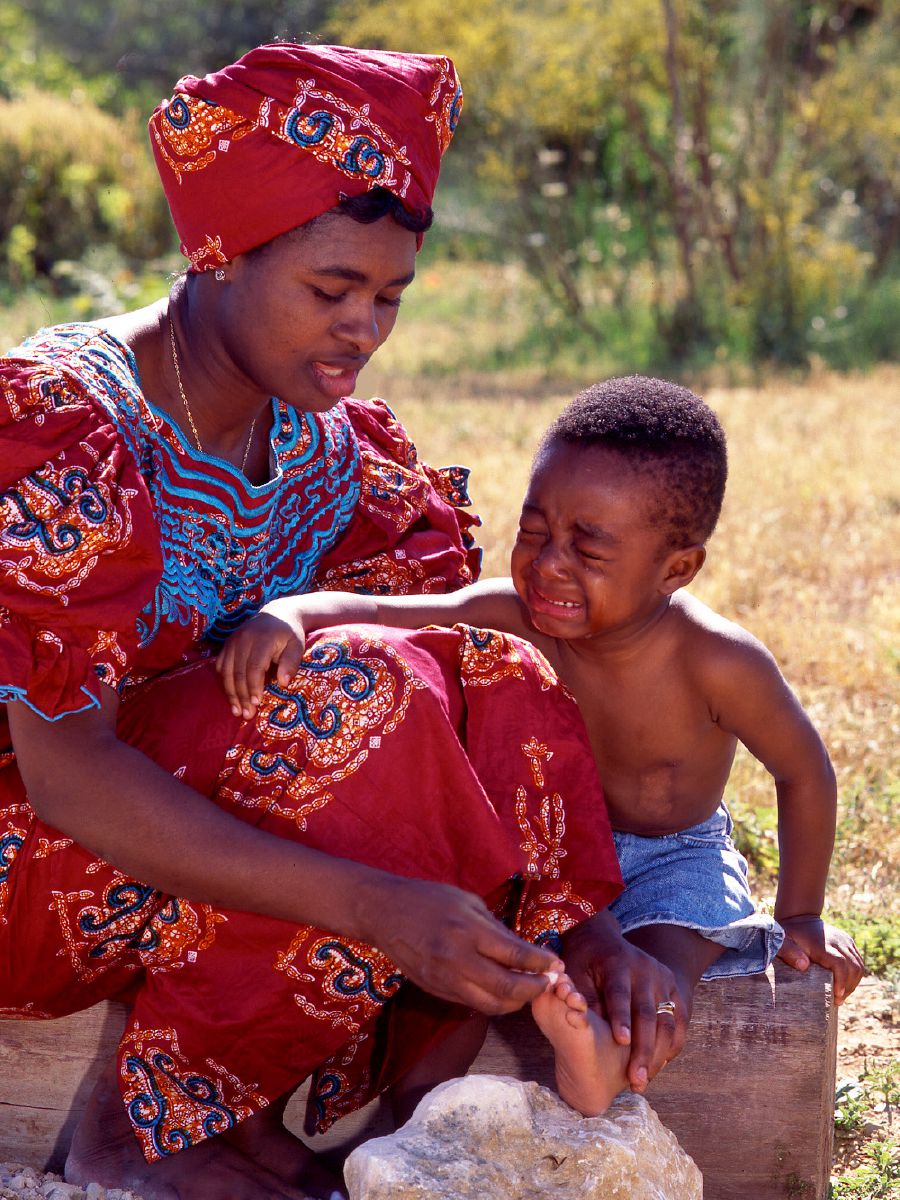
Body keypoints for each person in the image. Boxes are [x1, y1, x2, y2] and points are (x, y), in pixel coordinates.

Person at [0, 43, 663, 1200]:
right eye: (330, 290)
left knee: (485, 667)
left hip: (188, 863)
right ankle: (140, 1138)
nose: (364, 327)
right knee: (362, 691)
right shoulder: (70, 424)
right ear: (219, 250)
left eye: (389, 297)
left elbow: (475, 685)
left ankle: (300, 1125)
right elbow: (68, 774)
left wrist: (582, 922)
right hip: (37, 865)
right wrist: (376, 905)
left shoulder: (336, 458)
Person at [221, 373, 866, 1059]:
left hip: (672, 855)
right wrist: (295, 612)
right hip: (548, 854)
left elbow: (804, 773)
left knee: (662, 971)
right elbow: (387, 613)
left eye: (588, 551)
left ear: (677, 570)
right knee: (492, 943)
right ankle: (538, 1033)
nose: (549, 564)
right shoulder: (513, 615)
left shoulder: (717, 661)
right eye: (534, 531)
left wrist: (802, 914)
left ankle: (607, 1056)